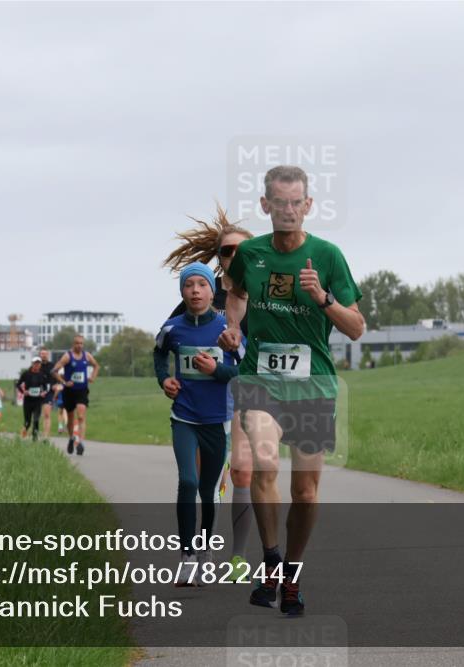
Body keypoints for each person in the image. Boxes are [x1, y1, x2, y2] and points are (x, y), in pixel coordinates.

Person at [218, 165, 364, 616]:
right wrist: (234, 327)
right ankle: (271, 558)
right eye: (278, 202)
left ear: (308, 206)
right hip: (260, 378)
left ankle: (292, 578)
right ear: (266, 205)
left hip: (313, 384)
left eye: (295, 202)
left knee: (305, 491)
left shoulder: (329, 255)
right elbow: (237, 293)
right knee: (263, 462)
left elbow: (356, 328)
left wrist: (322, 297)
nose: (287, 210)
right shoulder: (251, 254)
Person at [163, 203, 256, 582]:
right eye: (227, 251)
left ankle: (237, 557)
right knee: (205, 479)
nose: (234, 257)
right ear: (218, 257)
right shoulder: (203, 293)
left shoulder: (266, 296)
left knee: (243, 470)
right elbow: (174, 339)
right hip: (210, 403)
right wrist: (171, 379)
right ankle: (200, 553)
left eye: (242, 251)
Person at [154, 262, 241, 584]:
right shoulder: (172, 328)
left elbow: (244, 372)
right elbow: (159, 354)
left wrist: (216, 371)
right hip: (184, 416)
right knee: (188, 481)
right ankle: (187, 556)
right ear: (182, 291)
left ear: (211, 291)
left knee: (208, 490)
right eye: (188, 285)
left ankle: (206, 553)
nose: (194, 290)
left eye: (201, 285)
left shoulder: (226, 331)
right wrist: (164, 380)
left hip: (218, 420)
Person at [50, 335, 99, 455]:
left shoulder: (87, 356)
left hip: (82, 390)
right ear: (73, 344)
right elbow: (53, 371)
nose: (80, 345)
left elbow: (96, 365)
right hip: (69, 391)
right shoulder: (67, 356)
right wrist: (64, 382)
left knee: (81, 415)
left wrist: (92, 377)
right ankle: (72, 438)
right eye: (77, 343)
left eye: (81, 343)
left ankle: (81, 442)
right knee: (71, 418)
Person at [18, 358, 51, 441]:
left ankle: (34, 439)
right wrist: (23, 391)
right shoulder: (26, 374)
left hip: (37, 400)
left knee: (36, 420)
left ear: (40, 365)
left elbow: (46, 387)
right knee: (27, 422)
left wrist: (44, 392)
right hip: (28, 401)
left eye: (38, 364)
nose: (37, 365)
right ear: (32, 364)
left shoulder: (42, 375)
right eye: (35, 363)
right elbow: (18, 384)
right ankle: (21, 438)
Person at [35, 349, 58, 438]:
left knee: (47, 414)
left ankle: (45, 436)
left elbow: (56, 377)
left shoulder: (52, 365)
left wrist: (55, 385)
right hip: (37, 392)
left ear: (48, 355)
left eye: (45, 354)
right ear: (39, 355)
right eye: (42, 354)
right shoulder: (36, 366)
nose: (44, 355)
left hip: (49, 392)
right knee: (36, 414)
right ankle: (35, 432)